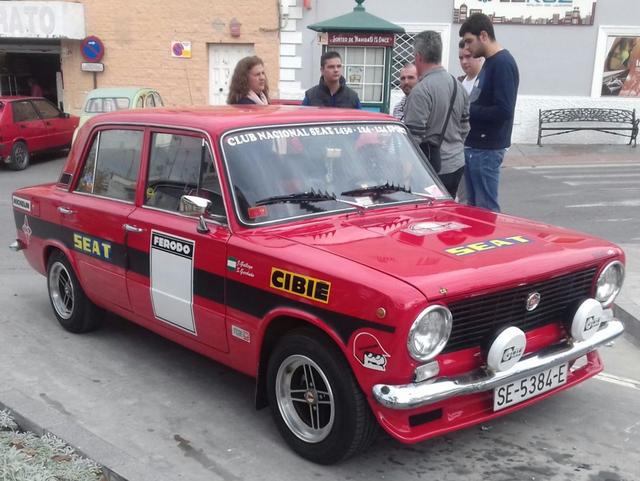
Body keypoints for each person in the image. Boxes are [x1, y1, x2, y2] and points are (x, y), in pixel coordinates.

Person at [459, 13, 519, 212]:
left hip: (487, 148)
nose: (467, 48)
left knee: (486, 210)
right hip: (476, 146)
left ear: (483, 36)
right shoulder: (491, 62)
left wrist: (468, 109)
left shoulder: (502, 63)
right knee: (475, 209)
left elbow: (504, 110)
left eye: (469, 41)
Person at [404, 31, 469, 197]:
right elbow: (465, 128)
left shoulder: (421, 91)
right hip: (456, 163)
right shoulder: (458, 86)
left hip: (431, 170)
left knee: (427, 220)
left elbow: (413, 141)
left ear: (418, 57)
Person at [456, 39, 484, 204]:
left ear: (480, 57)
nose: (464, 61)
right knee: (463, 199)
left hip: (479, 148)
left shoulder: (485, 81)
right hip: (459, 148)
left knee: (481, 200)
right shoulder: (458, 83)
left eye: (468, 56)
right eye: (461, 57)